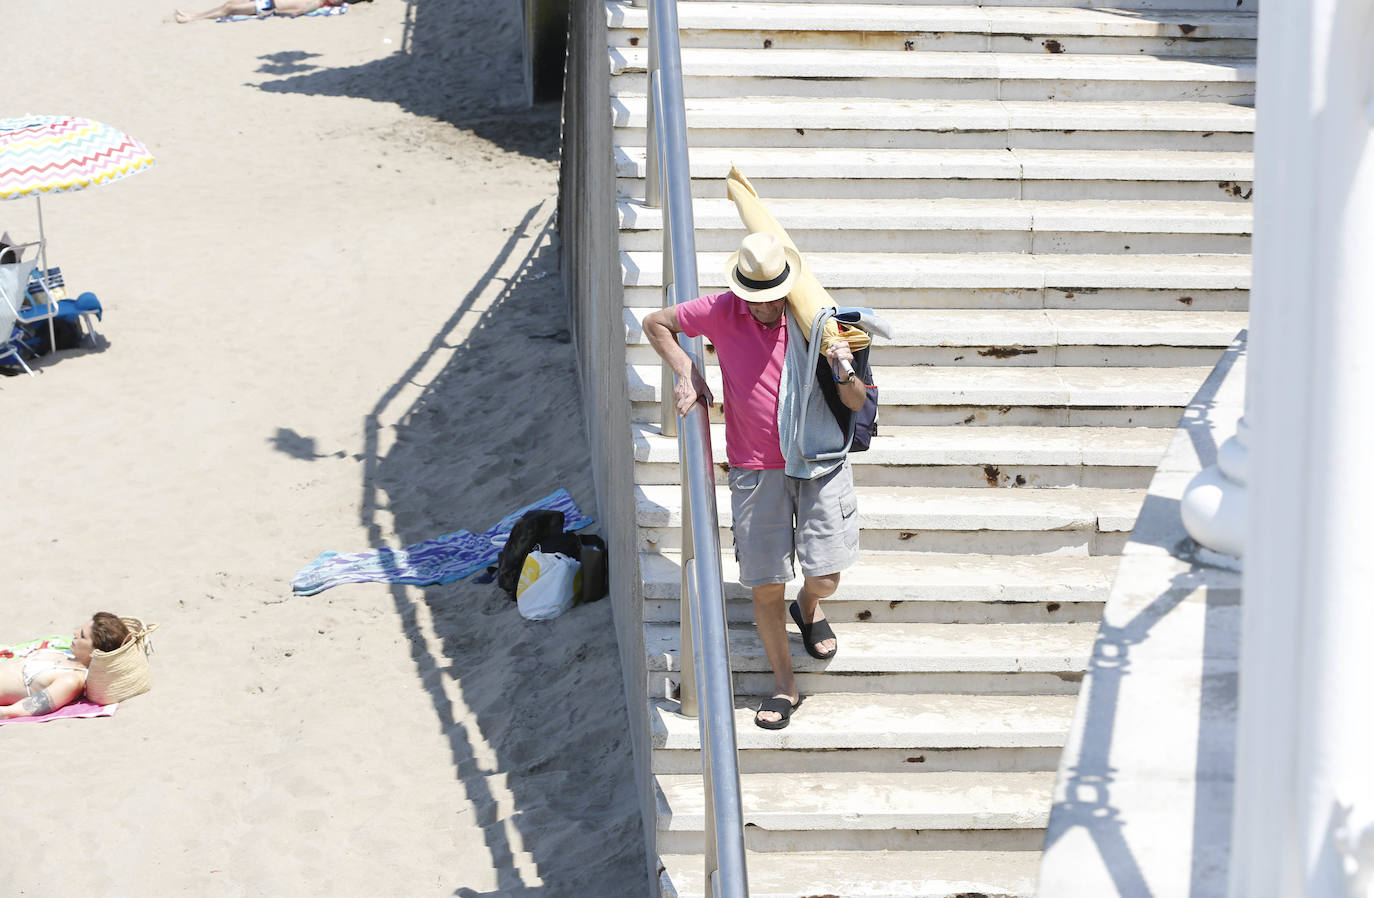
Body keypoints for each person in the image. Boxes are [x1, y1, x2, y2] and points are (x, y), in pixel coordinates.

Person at [643, 232, 867, 730]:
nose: (764, 307)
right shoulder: (723, 310)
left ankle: (807, 606)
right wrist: (686, 371)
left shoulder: (815, 317)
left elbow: (855, 404)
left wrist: (842, 365)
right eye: (755, 298)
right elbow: (655, 322)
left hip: (820, 462)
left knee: (826, 576)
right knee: (765, 585)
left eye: (772, 297)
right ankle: (784, 684)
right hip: (753, 468)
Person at [0, 613, 130, 719]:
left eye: (82, 636)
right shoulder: (67, 652)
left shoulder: (71, 680)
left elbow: (20, 710)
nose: (75, 633)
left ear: (94, 652)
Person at [173, 0, 361, 23]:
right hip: (268, 1)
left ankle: (193, 18)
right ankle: (193, 16)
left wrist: (297, 13)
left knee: (230, 8)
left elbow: (304, 9)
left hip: (269, 6)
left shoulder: (321, 2)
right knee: (229, 3)